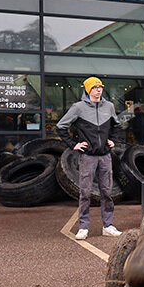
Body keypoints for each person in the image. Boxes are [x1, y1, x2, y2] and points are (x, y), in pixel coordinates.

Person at [56, 76, 123, 240]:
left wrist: (113, 141)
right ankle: (83, 227)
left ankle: (108, 226)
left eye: (100, 87)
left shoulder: (109, 106)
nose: (98, 90)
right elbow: (61, 126)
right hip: (87, 157)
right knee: (85, 193)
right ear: (88, 90)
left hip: (105, 156)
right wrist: (74, 145)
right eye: (94, 87)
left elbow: (117, 125)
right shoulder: (78, 108)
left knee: (107, 192)